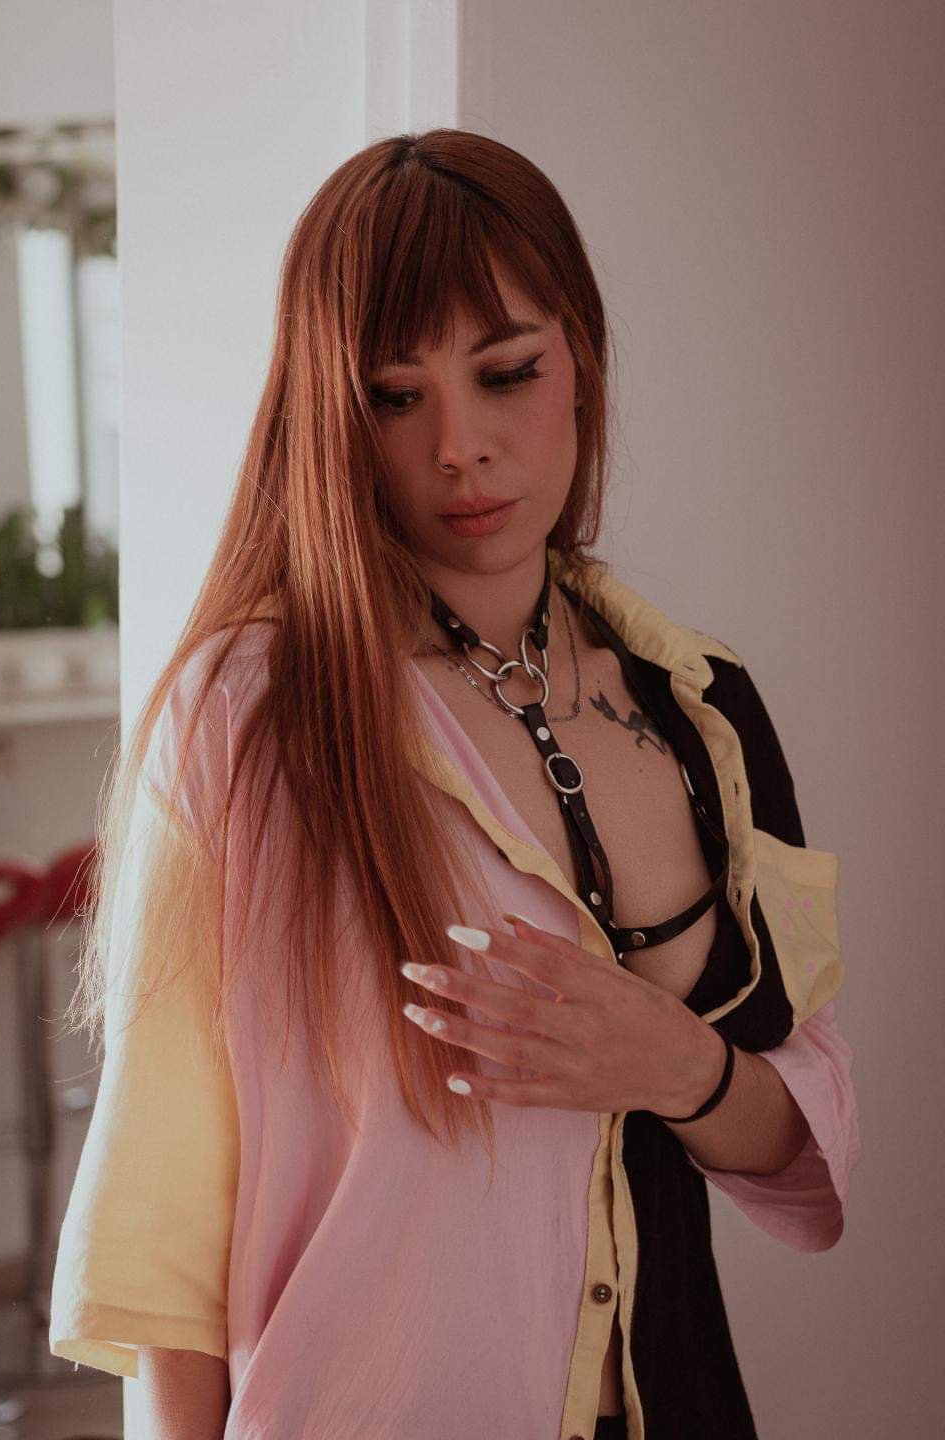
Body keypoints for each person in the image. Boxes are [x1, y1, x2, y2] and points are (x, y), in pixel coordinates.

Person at [48, 129, 860, 1440]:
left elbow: (800, 1145)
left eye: (506, 372)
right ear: (330, 413)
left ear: (580, 361)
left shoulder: (704, 710)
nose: (460, 447)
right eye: (393, 396)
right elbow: (166, 1224)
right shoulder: (248, 715)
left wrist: (675, 1064)